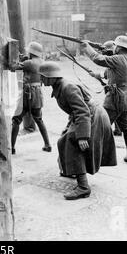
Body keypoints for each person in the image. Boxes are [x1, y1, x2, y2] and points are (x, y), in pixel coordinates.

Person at [39, 61, 117, 200]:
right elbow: (75, 111)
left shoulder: (67, 87)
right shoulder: (60, 86)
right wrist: (69, 126)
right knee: (63, 139)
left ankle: (83, 187)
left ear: (52, 77)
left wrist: (82, 136)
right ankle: (71, 170)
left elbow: (82, 111)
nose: (41, 79)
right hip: (87, 115)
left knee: (73, 143)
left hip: (93, 116)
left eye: (43, 76)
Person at [81, 36, 127, 165]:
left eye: (116, 46)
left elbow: (97, 59)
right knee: (126, 127)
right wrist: (96, 75)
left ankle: (94, 158)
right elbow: (111, 73)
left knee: (101, 125)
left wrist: (86, 46)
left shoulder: (117, 59)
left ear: (120, 47)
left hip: (115, 98)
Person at [11, 42, 51, 155]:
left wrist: (19, 60)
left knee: (16, 120)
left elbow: (13, 68)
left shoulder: (28, 62)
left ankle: (11, 148)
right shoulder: (42, 62)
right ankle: (47, 145)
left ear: (31, 51)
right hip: (38, 93)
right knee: (39, 119)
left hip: (27, 93)